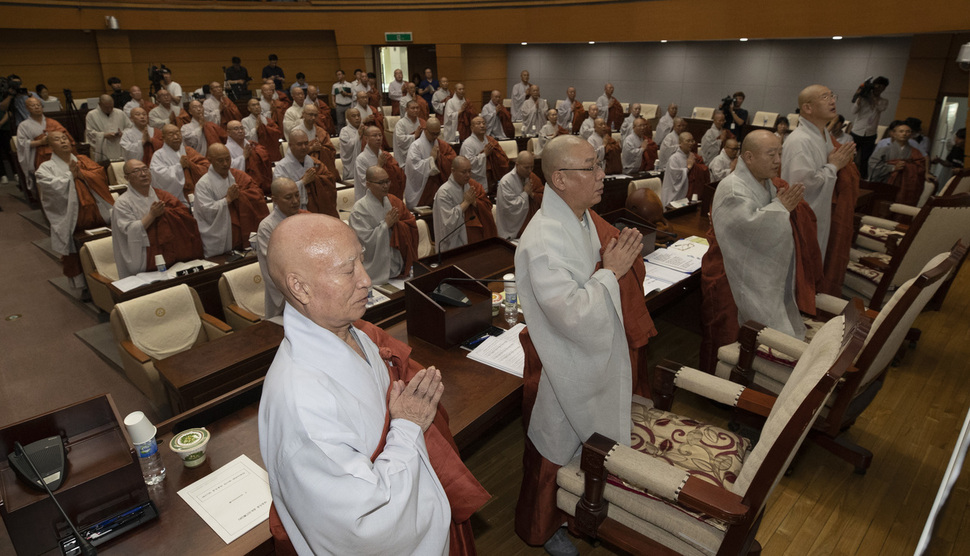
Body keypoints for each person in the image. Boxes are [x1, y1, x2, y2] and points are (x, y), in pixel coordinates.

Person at [259, 212, 489, 555]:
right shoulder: (302, 403)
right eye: (348, 270)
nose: (366, 280)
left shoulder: (349, 330)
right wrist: (408, 425)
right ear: (300, 287)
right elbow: (365, 522)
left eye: (362, 263)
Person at [514, 134, 656, 555]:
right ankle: (548, 526)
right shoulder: (543, 240)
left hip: (591, 357)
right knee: (555, 446)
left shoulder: (582, 218)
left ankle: (582, 508)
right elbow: (573, 313)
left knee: (586, 442)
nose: (601, 175)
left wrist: (611, 269)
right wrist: (610, 272)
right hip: (562, 363)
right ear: (559, 178)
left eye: (599, 165)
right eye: (591, 167)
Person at [700, 130, 820, 373]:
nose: (778, 160)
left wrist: (779, 208)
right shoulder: (733, 188)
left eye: (780, 153)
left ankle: (758, 371)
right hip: (730, 273)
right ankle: (723, 382)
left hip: (752, 268)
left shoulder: (763, 182)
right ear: (749, 157)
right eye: (771, 154)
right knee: (726, 332)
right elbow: (750, 230)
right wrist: (779, 209)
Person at [781, 84, 856, 257]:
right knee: (802, 263)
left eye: (832, 96)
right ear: (807, 108)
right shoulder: (799, 141)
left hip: (822, 212)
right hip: (805, 217)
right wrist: (834, 166)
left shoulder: (824, 136)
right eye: (825, 97)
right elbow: (802, 187)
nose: (832, 101)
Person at [36, 130, 114, 288]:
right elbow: (50, 189)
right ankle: (83, 286)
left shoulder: (83, 160)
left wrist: (82, 174)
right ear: (50, 146)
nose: (63, 141)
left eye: (64, 137)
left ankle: (111, 276)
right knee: (75, 254)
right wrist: (71, 176)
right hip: (72, 218)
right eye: (57, 139)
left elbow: (100, 174)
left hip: (96, 212)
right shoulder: (45, 168)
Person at [111, 159, 203, 278]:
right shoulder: (122, 203)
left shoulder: (161, 195)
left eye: (145, 169)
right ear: (127, 177)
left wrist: (167, 213)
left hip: (167, 253)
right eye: (136, 171)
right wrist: (151, 215)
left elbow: (184, 215)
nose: (143, 174)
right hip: (143, 256)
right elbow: (129, 231)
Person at [193, 144, 269, 257]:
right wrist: (227, 200)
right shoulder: (203, 184)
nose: (225, 163)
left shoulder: (237, 176)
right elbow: (206, 211)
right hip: (220, 238)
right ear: (210, 160)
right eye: (220, 160)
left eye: (227, 159)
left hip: (240, 234)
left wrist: (241, 196)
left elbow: (257, 194)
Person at [349, 166, 419, 284]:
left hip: (396, 264)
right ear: (368, 184)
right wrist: (385, 225)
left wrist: (399, 226)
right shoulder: (359, 210)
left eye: (387, 181)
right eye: (381, 183)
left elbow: (408, 224)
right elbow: (363, 242)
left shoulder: (392, 202)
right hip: (375, 270)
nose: (386, 186)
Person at [256, 177, 303, 319]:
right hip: (288, 295)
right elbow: (273, 267)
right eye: (288, 197)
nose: (295, 201)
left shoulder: (304, 218)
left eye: (297, 195)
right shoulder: (267, 227)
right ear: (274, 199)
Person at [432, 156, 496, 252]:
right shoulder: (444, 192)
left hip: (474, 239)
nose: (467, 175)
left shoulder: (472, 185)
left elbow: (487, 206)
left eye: (469, 171)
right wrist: (466, 203)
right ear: (453, 171)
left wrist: (474, 202)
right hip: (453, 244)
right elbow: (447, 223)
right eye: (463, 172)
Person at [273, 128, 338, 216]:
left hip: (314, 208)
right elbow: (281, 194)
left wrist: (317, 180)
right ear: (290, 145)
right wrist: (303, 182)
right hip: (292, 213)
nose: (304, 147)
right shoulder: (281, 167)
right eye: (300, 144)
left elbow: (329, 180)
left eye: (306, 143)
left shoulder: (313, 162)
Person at [16, 96, 73, 192]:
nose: (37, 107)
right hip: (37, 155)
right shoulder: (23, 126)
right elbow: (22, 144)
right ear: (27, 108)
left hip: (57, 153)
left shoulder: (52, 122)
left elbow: (65, 136)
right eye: (33, 105)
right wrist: (40, 142)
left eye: (38, 105)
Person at [869, 120, 926, 206]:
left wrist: (907, 167)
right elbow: (872, 165)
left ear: (911, 135)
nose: (904, 134)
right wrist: (892, 168)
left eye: (907, 132)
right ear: (894, 134)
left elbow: (921, 168)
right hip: (886, 184)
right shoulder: (884, 150)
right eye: (901, 131)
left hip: (906, 187)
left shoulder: (916, 152)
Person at [150, 124, 210, 206]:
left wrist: (190, 165)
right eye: (171, 134)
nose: (175, 137)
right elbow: (158, 177)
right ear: (163, 138)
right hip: (176, 198)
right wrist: (179, 166)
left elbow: (206, 167)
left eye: (177, 133)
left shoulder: (188, 151)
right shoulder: (158, 155)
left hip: (197, 192)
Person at [404, 118, 456, 209]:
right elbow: (413, 168)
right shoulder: (415, 146)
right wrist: (431, 159)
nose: (435, 136)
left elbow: (453, 160)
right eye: (433, 133)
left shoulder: (441, 144)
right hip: (423, 191)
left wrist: (441, 159)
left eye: (438, 133)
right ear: (425, 130)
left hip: (437, 186)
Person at [495, 151, 543, 240]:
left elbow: (542, 197)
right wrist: (525, 194)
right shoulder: (506, 182)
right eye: (526, 168)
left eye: (532, 167)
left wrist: (532, 195)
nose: (530, 171)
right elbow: (509, 208)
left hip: (531, 227)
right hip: (511, 230)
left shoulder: (533, 178)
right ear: (517, 165)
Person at [850, 76, 889, 178]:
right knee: (850, 156)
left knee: (865, 159)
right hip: (857, 131)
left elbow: (880, 107)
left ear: (884, 88)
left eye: (882, 87)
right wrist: (859, 97)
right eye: (877, 85)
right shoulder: (863, 98)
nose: (878, 88)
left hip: (870, 134)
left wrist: (872, 97)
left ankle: (863, 179)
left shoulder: (883, 101)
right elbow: (853, 111)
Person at [355, 125, 406, 201]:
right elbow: (366, 184)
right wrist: (379, 165)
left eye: (380, 135)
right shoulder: (361, 159)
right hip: (368, 199)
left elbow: (396, 176)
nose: (378, 138)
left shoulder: (384, 155)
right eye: (374, 136)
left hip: (385, 196)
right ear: (366, 138)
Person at [460, 115, 510, 192]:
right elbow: (468, 164)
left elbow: (500, 157)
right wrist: (484, 154)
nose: (482, 126)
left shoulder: (490, 140)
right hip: (475, 181)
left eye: (484, 123)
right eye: (478, 123)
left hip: (490, 178)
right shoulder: (468, 144)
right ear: (472, 128)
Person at [227, 119, 273, 195]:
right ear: (228, 133)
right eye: (236, 129)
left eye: (242, 128)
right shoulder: (226, 149)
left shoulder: (251, 145)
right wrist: (243, 157)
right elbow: (229, 168)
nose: (240, 131)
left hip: (258, 180)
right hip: (243, 185)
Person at [661, 132, 698, 206]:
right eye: (688, 141)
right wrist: (688, 167)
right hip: (673, 196)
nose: (691, 143)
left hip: (687, 195)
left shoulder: (691, 156)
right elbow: (676, 178)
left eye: (692, 141)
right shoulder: (674, 158)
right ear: (680, 143)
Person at [243, 98, 284, 163]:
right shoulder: (245, 121)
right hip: (256, 151)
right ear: (249, 108)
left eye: (258, 104)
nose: (256, 107)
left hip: (269, 148)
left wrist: (267, 129)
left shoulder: (266, 119)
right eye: (253, 105)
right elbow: (247, 138)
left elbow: (276, 133)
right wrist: (256, 128)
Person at [393, 100, 424, 166]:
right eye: (413, 108)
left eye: (417, 108)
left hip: (420, 155)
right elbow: (400, 140)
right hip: (405, 158)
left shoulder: (421, 122)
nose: (415, 110)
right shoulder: (401, 123)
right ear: (406, 109)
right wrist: (414, 136)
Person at [339, 107, 363, 183]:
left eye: (358, 115)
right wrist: (358, 136)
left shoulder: (364, 129)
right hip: (351, 168)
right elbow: (347, 147)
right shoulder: (344, 131)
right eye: (353, 116)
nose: (357, 118)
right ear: (348, 119)